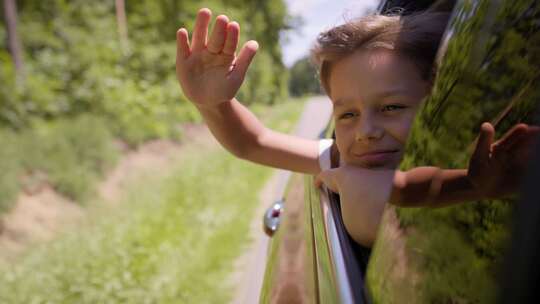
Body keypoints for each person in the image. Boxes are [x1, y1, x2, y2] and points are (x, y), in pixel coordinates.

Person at [175, 8, 538, 246]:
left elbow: (413, 188)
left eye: (392, 107)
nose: (366, 131)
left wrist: (345, 180)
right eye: (346, 115)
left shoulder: (355, 168)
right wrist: (213, 104)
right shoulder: (342, 156)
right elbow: (254, 142)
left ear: (443, 102)